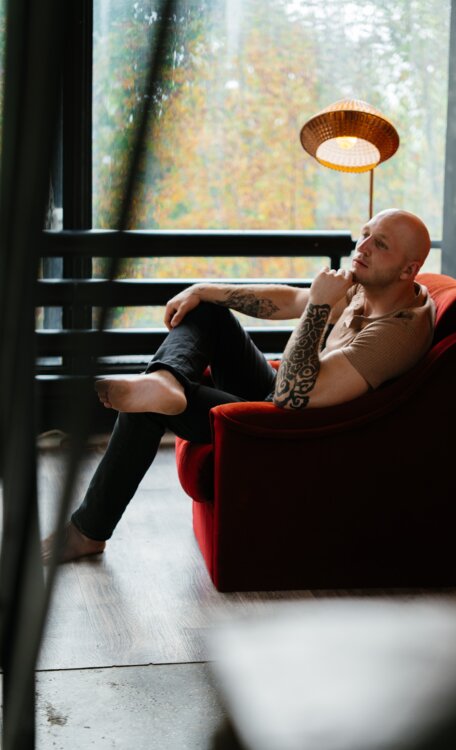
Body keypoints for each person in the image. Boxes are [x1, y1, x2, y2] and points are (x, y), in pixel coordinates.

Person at [42, 208, 435, 564]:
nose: (362, 248)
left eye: (380, 244)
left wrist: (319, 305)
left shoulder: (394, 335)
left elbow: (290, 396)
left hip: (296, 434)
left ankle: (87, 532)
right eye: (365, 234)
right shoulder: (373, 285)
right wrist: (205, 289)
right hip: (288, 400)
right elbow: (290, 300)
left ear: (408, 270)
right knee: (209, 313)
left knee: (144, 406)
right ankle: (167, 379)